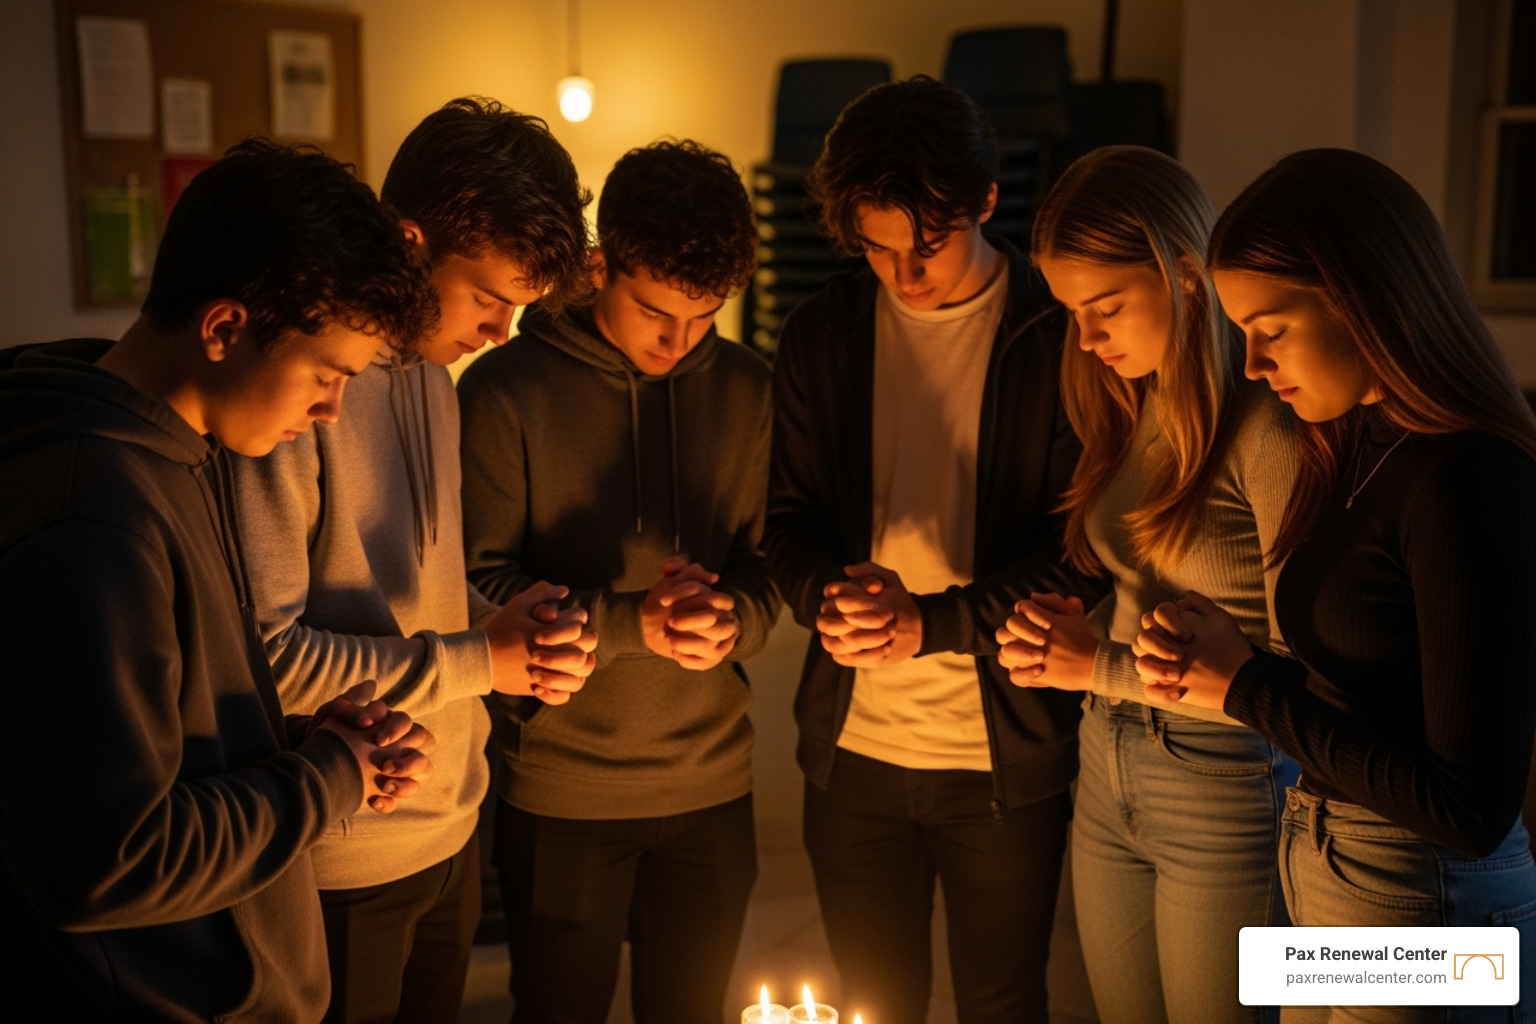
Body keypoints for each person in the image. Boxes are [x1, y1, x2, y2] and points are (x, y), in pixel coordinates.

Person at [0, 139, 436, 1022]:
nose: (331, 412)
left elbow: (166, 729)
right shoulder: (92, 512)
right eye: (327, 373)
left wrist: (304, 740)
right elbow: (110, 858)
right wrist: (324, 781)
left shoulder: (178, 454)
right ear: (225, 327)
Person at [1135, 148, 1536, 1023]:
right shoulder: (1349, 444)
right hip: (1324, 856)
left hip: (1428, 904)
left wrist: (1242, 686)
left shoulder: (1470, 480)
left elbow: (1469, 808)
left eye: (1270, 329)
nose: (1249, 365)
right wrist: (1230, 654)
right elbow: (1360, 688)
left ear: (1364, 301)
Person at [228, 97, 597, 1024]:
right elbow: (267, 657)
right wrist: (481, 659)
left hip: (451, 828)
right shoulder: (300, 387)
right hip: (343, 853)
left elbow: (417, 590)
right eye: (489, 298)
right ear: (409, 239)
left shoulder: (435, 374)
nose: (502, 334)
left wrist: (506, 628)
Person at [763, 76, 1099, 1024]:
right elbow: (785, 521)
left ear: (987, 202)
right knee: (874, 1003)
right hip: (853, 755)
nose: (906, 275)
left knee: (1001, 1003)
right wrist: (827, 596)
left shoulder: (1056, 333)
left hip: (1004, 755)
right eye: (878, 249)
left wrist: (932, 624)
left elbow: (1078, 552)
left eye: (928, 245)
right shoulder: (823, 332)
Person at [459, 139, 778, 1024]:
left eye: (706, 317)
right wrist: (636, 623)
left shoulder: (751, 390)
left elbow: (766, 569)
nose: (679, 343)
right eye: (655, 314)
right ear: (601, 266)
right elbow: (476, 585)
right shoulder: (501, 393)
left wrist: (732, 620)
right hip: (564, 792)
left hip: (715, 786)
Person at [994, 145, 1297, 1024]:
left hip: (1224, 785)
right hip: (1105, 765)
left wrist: (1098, 664)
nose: (1085, 338)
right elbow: (1156, 595)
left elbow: (1298, 669)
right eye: (1070, 312)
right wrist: (1075, 628)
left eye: (1105, 306)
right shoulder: (1136, 401)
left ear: (1187, 274)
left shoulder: (1268, 424)